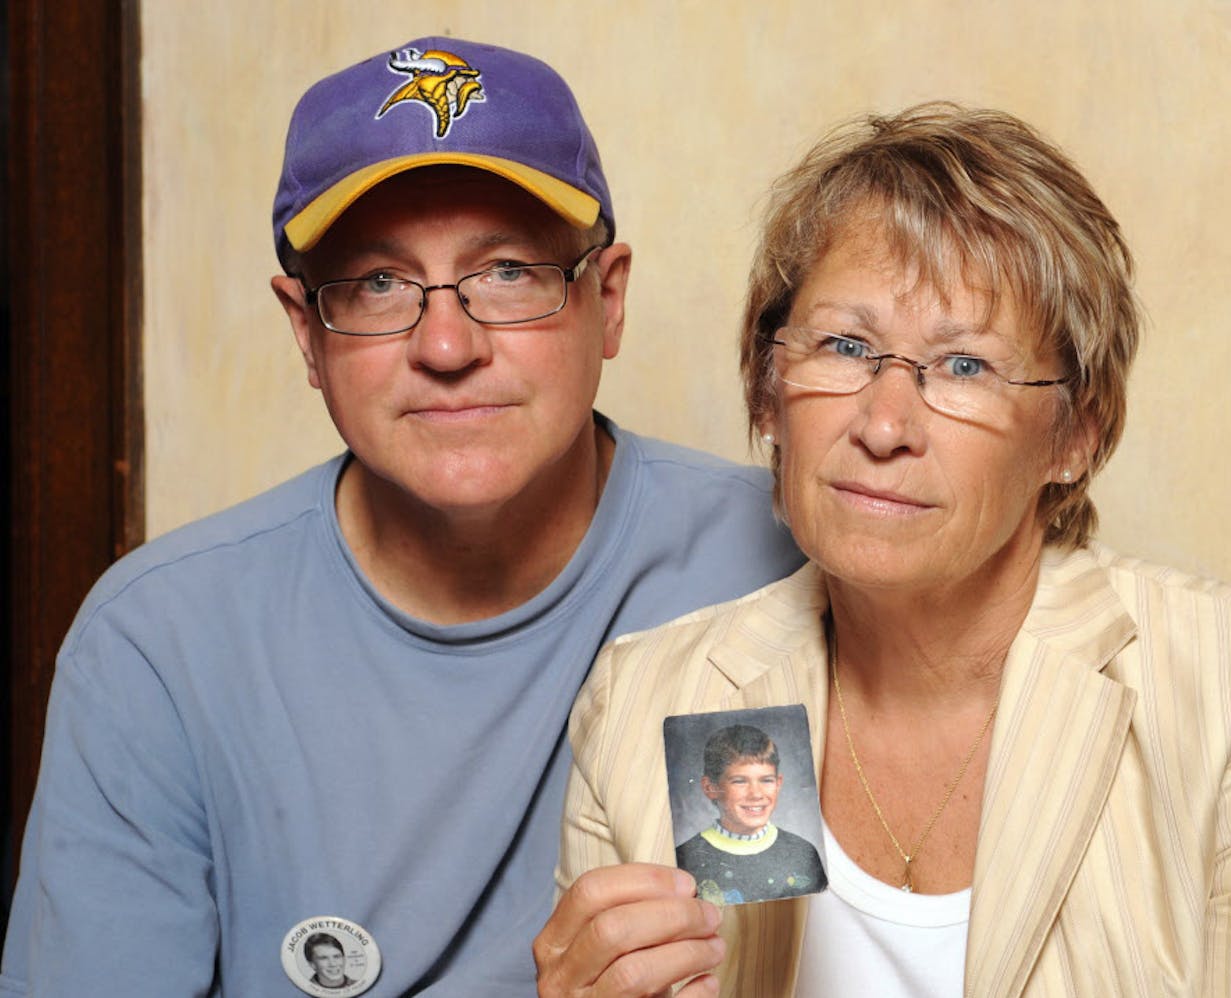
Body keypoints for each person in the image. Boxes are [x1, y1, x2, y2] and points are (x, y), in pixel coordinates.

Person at [0, 37, 801, 997]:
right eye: (378, 284)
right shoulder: (158, 646)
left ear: (609, 301)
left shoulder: (776, 559)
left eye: (508, 271)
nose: (449, 343)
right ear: (306, 333)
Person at [535, 103, 1231, 996]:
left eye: (965, 366)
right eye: (846, 346)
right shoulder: (650, 701)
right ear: (769, 390)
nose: (885, 424)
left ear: (1075, 435)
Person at [675, 724, 827, 905]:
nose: (756, 794)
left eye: (766, 780)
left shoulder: (803, 853)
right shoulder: (685, 859)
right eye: (740, 781)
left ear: (778, 784)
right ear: (711, 787)